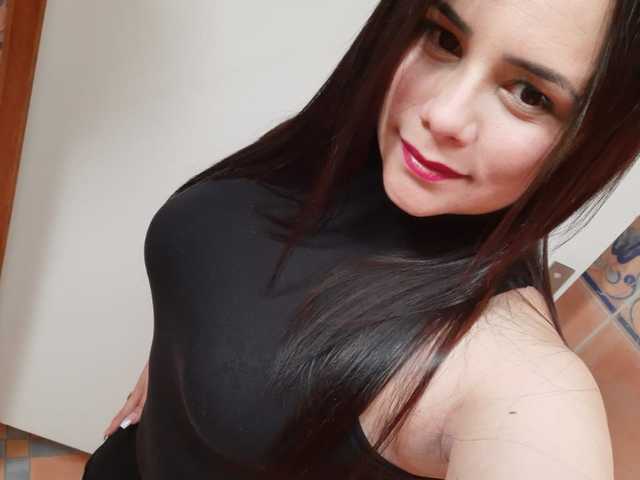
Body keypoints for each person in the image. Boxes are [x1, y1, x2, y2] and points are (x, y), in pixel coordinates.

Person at [83, 0, 640, 478]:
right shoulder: (338, 156)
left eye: (529, 94)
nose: (442, 114)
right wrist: (180, 359)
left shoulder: (520, 382)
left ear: (593, 143)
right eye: (445, 39)